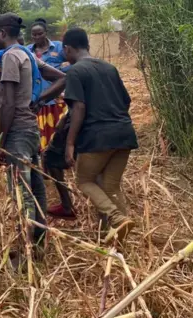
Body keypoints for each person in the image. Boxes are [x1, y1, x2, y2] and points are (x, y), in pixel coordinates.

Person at [0, 13, 65, 253]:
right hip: (32, 129)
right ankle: (40, 241)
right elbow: (62, 77)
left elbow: (8, 104)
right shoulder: (28, 54)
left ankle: (27, 250)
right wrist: (38, 101)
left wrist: (1, 139)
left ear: (2, 33)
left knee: (22, 192)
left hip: (18, 133)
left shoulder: (11, 57)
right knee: (37, 188)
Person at [62, 28, 138, 241]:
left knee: (84, 181)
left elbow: (78, 108)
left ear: (67, 48)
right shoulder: (110, 67)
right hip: (124, 134)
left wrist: (70, 143)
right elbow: (126, 101)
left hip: (98, 138)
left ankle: (116, 218)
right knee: (110, 186)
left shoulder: (75, 71)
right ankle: (121, 235)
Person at [28, 18, 74, 219]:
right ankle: (47, 168)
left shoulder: (58, 48)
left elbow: (70, 66)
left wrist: (62, 70)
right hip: (38, 102)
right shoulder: (28, 52)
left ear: (46, 33)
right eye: (34, 34)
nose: (37, 37)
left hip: (56, 102)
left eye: (40, 33)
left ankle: (60, 162)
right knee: (41, 139)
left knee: (57, 136)